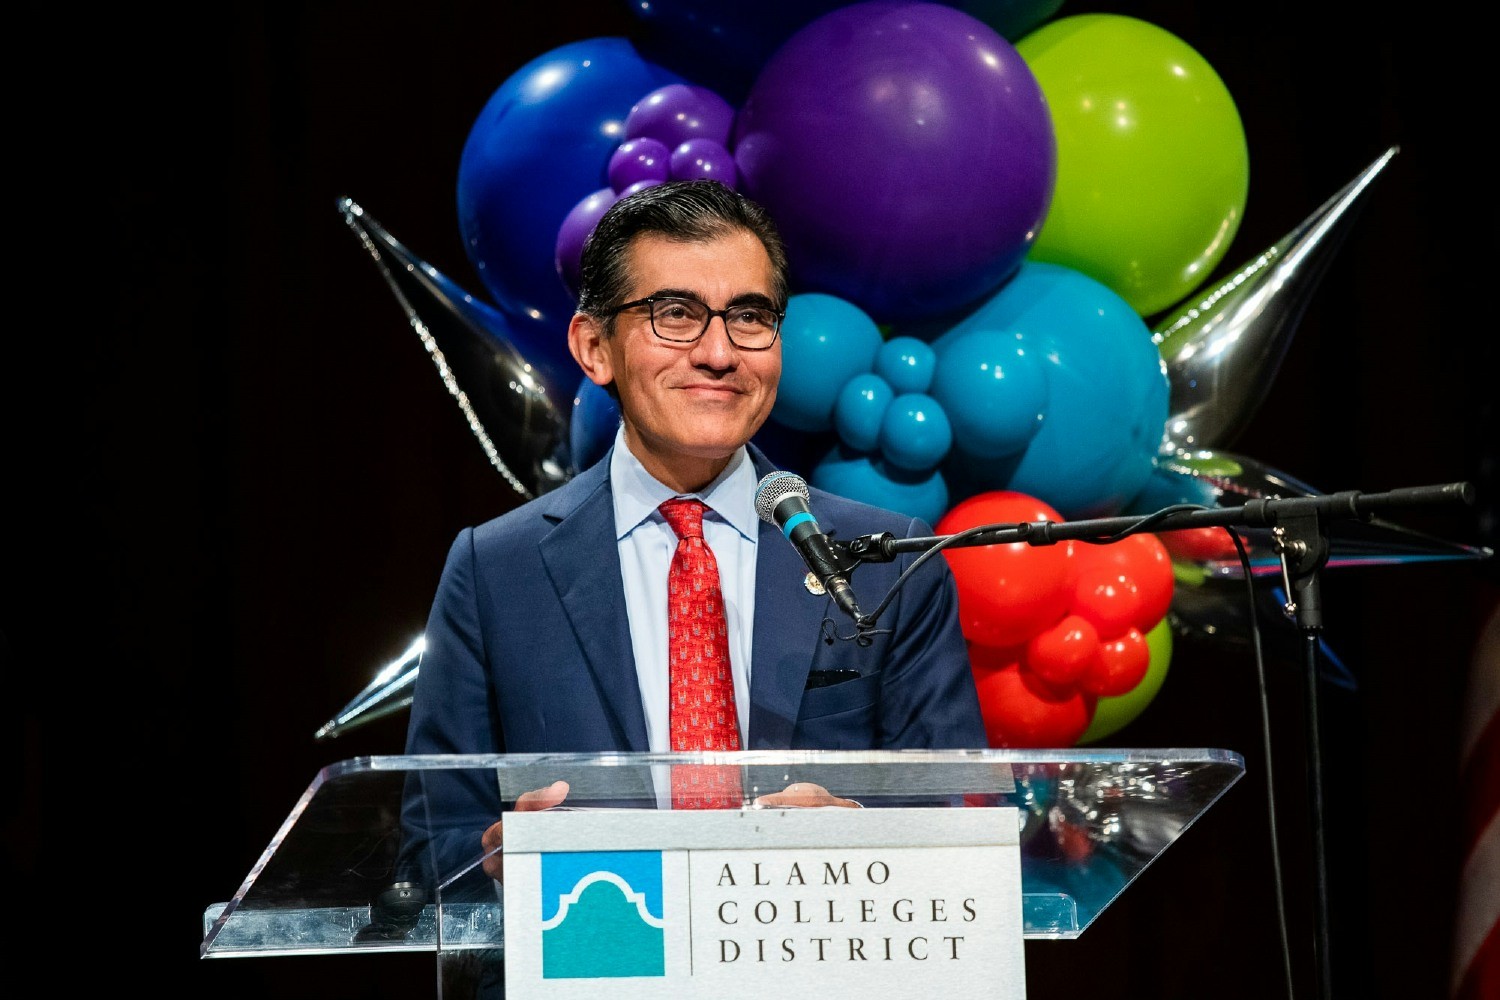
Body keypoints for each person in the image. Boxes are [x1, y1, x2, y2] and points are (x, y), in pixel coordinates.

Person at [397, 179, 986, 897]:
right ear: (593, 347)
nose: (718, 352)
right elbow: (429, 852)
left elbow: (965, 820)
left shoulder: (886, 561)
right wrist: (498, 852)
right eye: (675, 314)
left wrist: (854, 829)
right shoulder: (496, 571)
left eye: (749, 317)